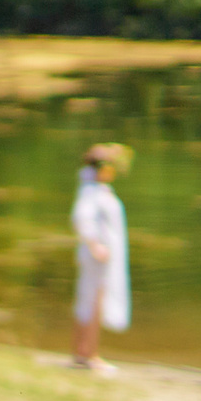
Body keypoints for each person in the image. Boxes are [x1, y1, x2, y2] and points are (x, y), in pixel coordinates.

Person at [69, 142, 131, 374]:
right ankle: (90, 354)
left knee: (88, 301)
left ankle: (81, 352)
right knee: (95, 302)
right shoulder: (92, 191)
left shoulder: (95, 188)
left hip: (99, 255)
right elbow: (81, 218)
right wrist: (95, 245)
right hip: (98, 257)